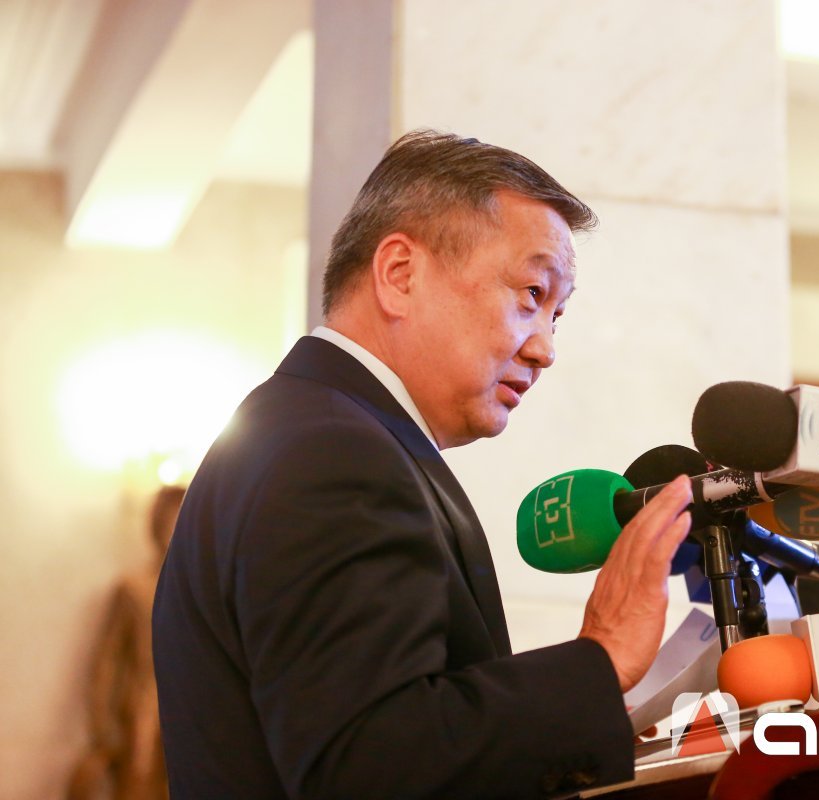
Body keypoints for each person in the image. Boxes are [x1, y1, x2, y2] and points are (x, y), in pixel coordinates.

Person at [152, 130, 693, 799]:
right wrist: (600, 659)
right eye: (531, 293)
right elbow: (370, 764)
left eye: (558, 314)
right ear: (400, 274)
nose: (545, 349)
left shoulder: (307, 427)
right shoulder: (334, 453)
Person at [69, 484, 184, 800]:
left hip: (191, 716)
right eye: (171, 521)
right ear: (157, 525)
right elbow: (108, 662)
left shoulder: (202, 593)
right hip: (143, 716)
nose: (175, 531)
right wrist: (105, 729)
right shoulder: (133, 588)